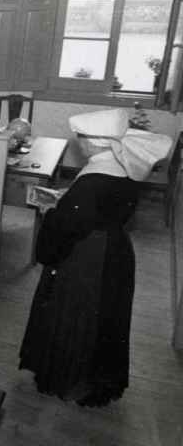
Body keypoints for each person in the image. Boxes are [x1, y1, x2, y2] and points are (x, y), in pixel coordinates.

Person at [19, 108, 172, 407]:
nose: (80, 144)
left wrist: (51, 212)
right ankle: (94, 378)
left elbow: (69, 224)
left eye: (81, 139)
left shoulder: (93, 179)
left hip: (87, 257)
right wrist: (68, 201)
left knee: (75, 313)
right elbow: (100, 208)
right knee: (105, 317)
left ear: (92, 142)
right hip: (115, 249)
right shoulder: (123, 166)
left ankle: (69, 377)